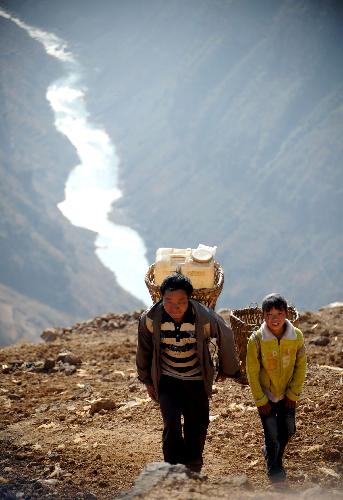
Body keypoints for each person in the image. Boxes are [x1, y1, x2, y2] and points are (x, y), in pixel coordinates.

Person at [136, 272, 240, 473]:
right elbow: (144, 350)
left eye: (181, 302)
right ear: (161, 298)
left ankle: (193, 466)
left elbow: (225, 335)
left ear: (189, 299)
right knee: (171, 425)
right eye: (168, 301)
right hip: (167, 380)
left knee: (197, 423)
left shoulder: (203, 317)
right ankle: (173, 469)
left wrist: (228, 370)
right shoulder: (150, 319)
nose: (175, 307)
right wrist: (148, 381)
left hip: (196, 380)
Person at [246, 293, 307, 483]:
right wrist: (260, 399)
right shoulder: (256, 340)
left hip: (288, 394)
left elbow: (301, 366)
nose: (275, 318)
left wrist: (293, 393)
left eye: (279, 313)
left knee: (288, 430)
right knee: (272, 432)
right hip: (266, 396)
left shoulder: (296, 336)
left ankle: (270, 452)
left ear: (286, 314)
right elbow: (252, 373)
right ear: (263, 316)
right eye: (269, 314)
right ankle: (275, 466)